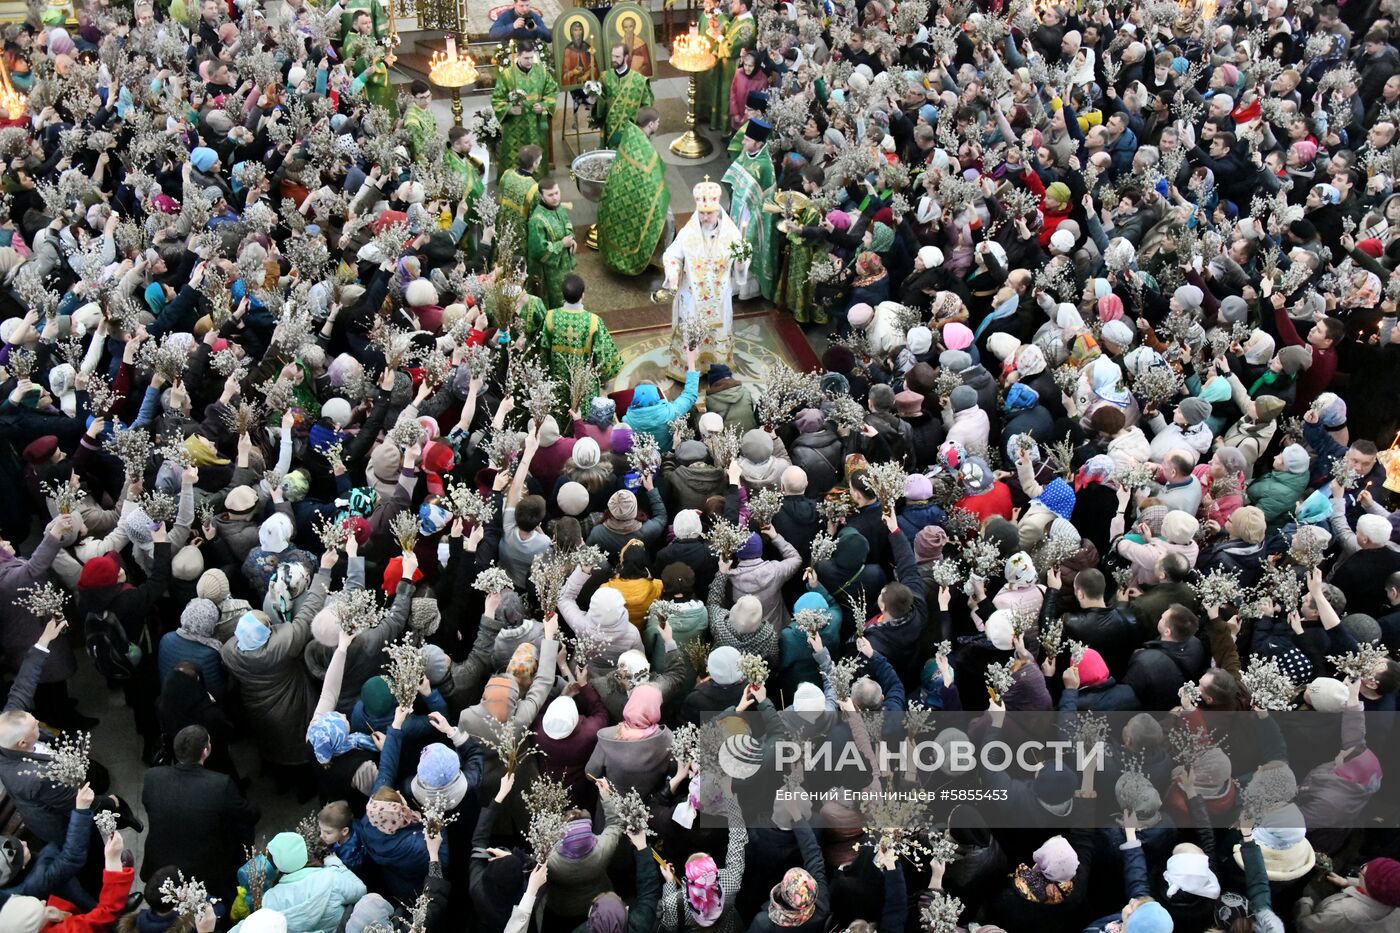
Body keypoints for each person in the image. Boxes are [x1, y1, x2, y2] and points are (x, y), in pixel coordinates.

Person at [141, 725, 261, 905]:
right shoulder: (219, 784)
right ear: (206, 751)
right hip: (204, 869)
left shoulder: (152, 777)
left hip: (160, 862)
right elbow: (248, 815)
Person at [661, 180, 749, 371]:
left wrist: (742, 260)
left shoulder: (731, 234)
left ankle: (717, 367)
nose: (705, 217)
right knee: (693, 333)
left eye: (709, 213)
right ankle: (691, 367)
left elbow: (739, 265)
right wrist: (673, 272)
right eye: (702, 213)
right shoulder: (688, 233)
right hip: (693, 296)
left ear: (718, 210)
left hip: (719, 297)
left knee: (717, 331)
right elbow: (672, 254)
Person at [598, 107, 671, 277]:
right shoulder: (645, 150)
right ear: (651, 124)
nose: (659, 125)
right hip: (635, 199)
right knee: (665, 217)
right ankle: (652, 258)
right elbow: (653, 180)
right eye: (658, 122)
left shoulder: (631, 135)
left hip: (619, 197)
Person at [721, 118, 777, 302]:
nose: (743, 142)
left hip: (754, 215)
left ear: (758, 143)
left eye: (747, 140)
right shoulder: (747, 153)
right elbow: (736, 175)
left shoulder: (764, 165)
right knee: (735, 243)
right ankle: (734, 283)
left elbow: (766, 197)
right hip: (739, 208)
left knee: (746, 247)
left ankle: (746, 288)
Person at [491, 43, 559, 174]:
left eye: (532, 57)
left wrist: (544, 106)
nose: (530, 61)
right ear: (518, 56)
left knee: (536, 155)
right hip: (515, 126)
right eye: (526, 58)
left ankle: (537, 182)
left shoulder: (542, 72)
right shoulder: (507, 75)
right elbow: (497, 99)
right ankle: (514, 181)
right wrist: (509, 109)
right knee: (515, 158)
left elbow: (553, 91)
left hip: (536, 125)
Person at [525, 177, 577, 310]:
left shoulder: (558, 208)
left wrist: (572, 239)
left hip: (564, 265)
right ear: (541, 196)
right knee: (557, 301)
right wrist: (562, 244)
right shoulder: (537, 220)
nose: (555, 198)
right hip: (550, 273)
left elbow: (567, 224)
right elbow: (539, 251)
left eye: (557, 193)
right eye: (550, 195)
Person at [593, 43, 654, 146]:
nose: (614, 59)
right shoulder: (605, 77)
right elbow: (599, 107)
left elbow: (646, 107)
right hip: (610, 131)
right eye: (612, 56)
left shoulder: (638, 80)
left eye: (617, 57)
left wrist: (642, 130)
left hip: (630, 133)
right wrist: (593, 96)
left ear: (626, 57)